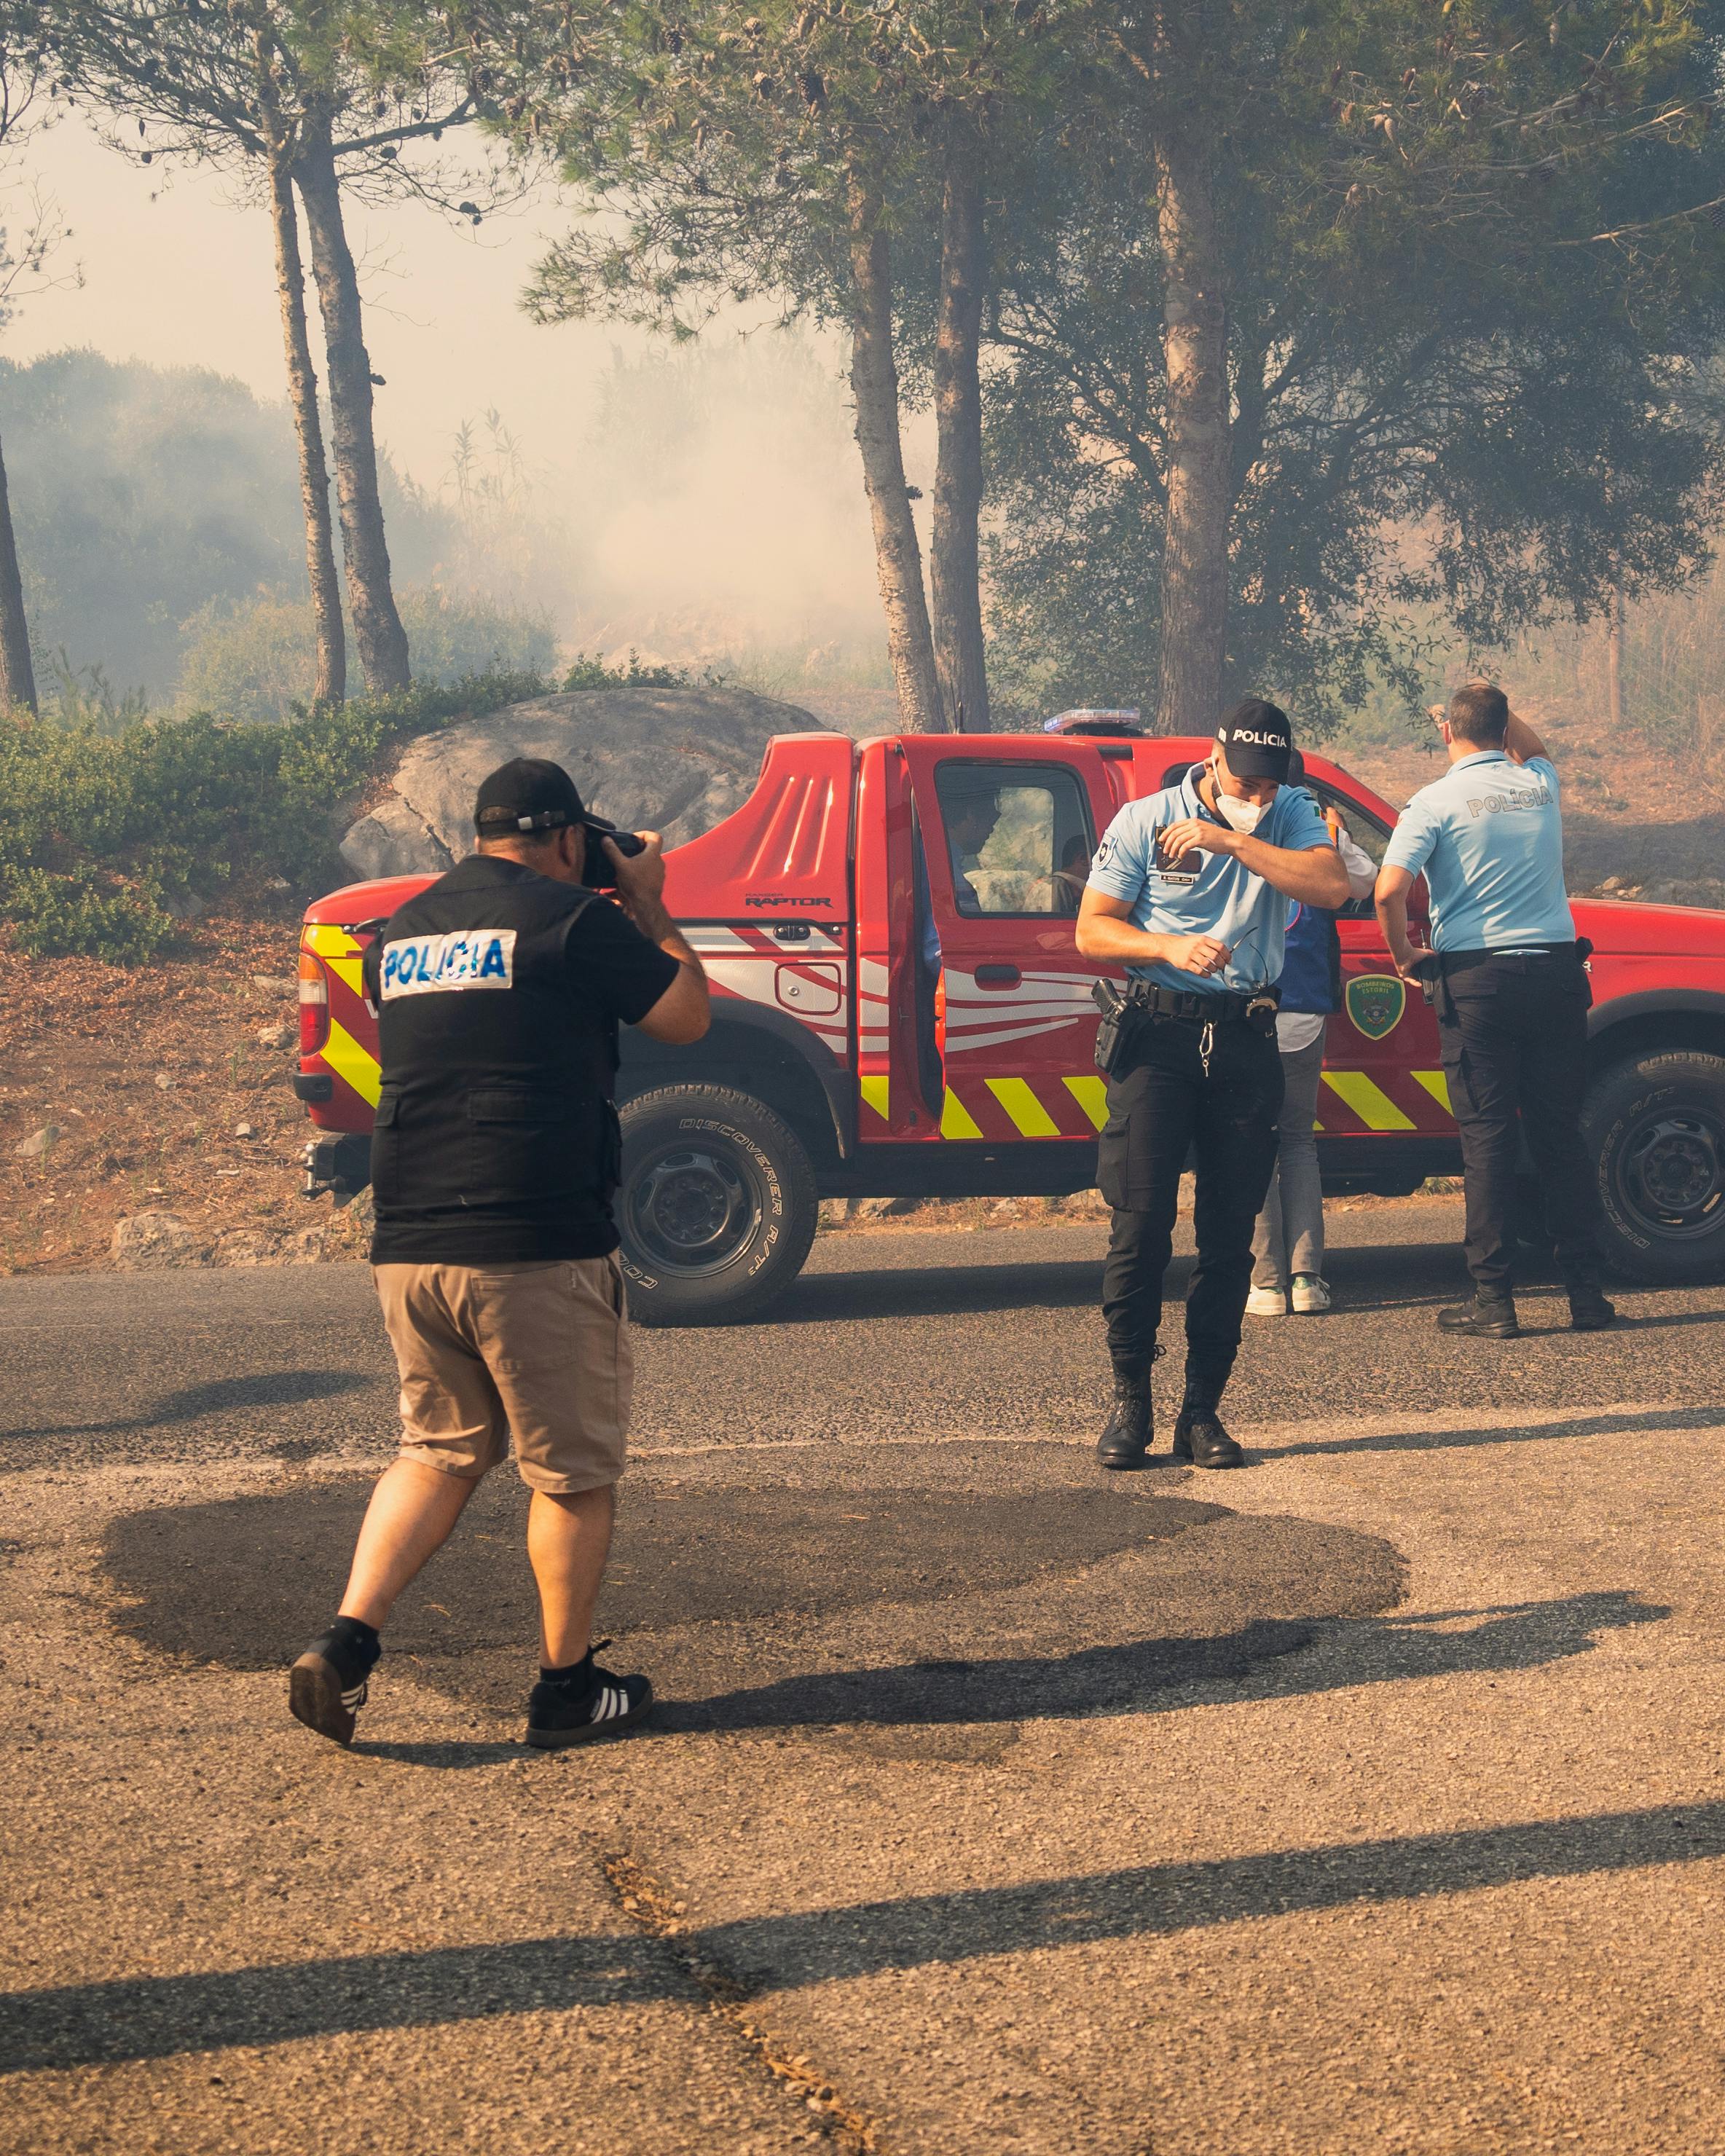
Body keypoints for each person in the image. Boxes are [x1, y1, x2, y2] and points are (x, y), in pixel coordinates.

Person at [288, 757, 710, 1752]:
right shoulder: (577, 921)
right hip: (532, 1243)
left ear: (480, 835)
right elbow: (687, 1017)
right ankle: (566, 1691)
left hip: (411, 1243)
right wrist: (648, 903)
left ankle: (346, 1646)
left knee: (435, 1452)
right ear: (571, 838)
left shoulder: (407, 932)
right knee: (569, 1475)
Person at [1077, 699, 1350, 1469]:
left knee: (1228, 1239)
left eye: (1269, 785)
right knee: (1140, 1227)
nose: (1257, 794)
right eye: (1245, 781)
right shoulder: (1144, 817)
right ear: (1212, 757)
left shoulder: (1290, 811)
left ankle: (1201, 1412)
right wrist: (1165, 944)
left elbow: (1329, 887)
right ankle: (1131, 1402)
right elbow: (1091, 928)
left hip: (1244, 1036)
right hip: (1158, 1036)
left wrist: (1231, 836)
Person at [1374, 682, 1614, 1339]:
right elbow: (1529, 741)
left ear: (1447, 734)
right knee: (1560, 1136)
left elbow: (1389, 889)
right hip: (1558, 976)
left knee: (1487, 1141)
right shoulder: (1538, 781)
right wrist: (1492, 716)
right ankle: (1588, 1296)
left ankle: (1494, 1300)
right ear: (1503, 727)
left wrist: (1404, 955)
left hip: (1479, 984)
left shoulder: (1431, 802)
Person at [1246, 754, 1378, 1316]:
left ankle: (1266, 1283)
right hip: (1302, 1008)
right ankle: (1306, 1279)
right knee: (1298, 1141)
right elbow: (1368, 882)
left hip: (1244, 1008)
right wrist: (1339, 835)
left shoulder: (1234, 827)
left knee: (1252, 1145)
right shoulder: (1320, 833)